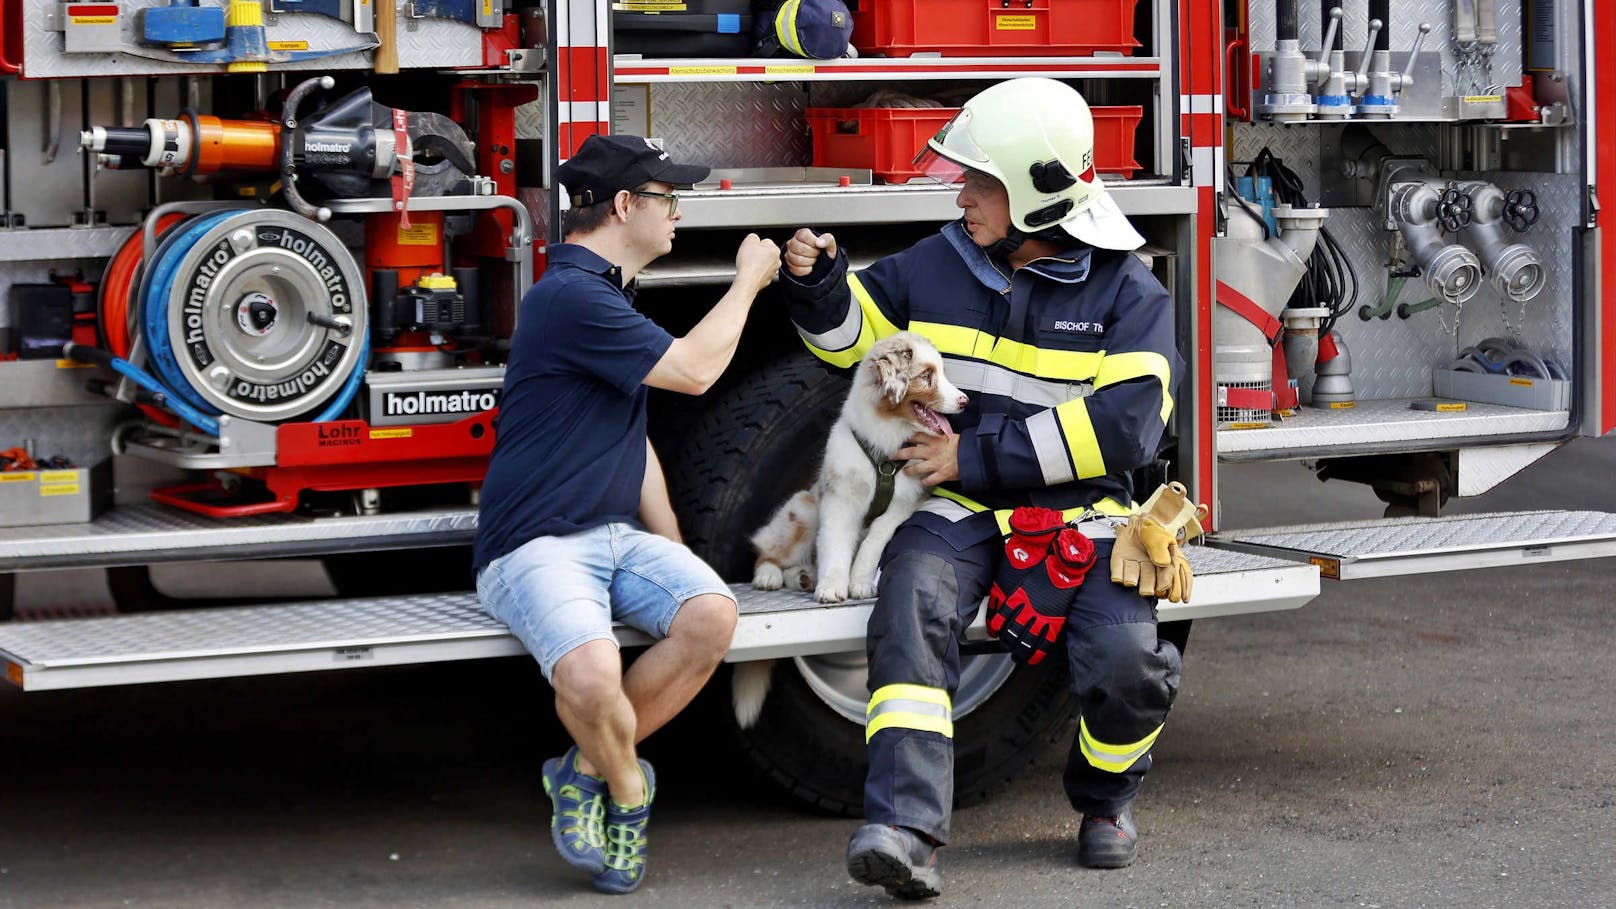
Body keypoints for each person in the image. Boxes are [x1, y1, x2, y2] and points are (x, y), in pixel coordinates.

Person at [778, 78, 1188, 899]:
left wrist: (976, 457)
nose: (962, 195)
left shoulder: (1129, 292)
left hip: (1089, 518)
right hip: (960, 513)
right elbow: (853, 343)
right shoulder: (939, 261)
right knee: (911, 604)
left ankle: (1107, 800)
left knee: (1126, 659)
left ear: (1037, 199)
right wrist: (820, 283)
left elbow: (1128, 427)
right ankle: (905, 829)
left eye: (982, 184)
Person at [474, 133, 780, 894]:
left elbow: (629, 429)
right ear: (623, 205)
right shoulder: (572, 296)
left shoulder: (604, 294)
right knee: (591, 668)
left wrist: (673, 548)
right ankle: (629, 793)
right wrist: (747, 282)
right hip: (534, 544)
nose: (679, 212)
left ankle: (578, 770)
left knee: (710, 613)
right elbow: (693, 371)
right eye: (668, 198)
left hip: (611, 536)